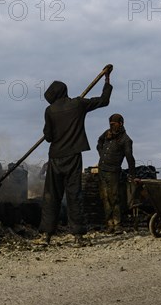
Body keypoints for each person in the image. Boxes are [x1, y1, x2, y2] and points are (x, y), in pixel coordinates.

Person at [34, 72, 112, 246]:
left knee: (51, 196)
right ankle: (78, 237)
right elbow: (104, 100)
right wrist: (107, 80)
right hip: (73, 157)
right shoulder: (78, 104)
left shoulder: (50, 110)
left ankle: (46, 236)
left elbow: (48, 137)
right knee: (74, 195)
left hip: (55, 157)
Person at [96, 113, 136, 233]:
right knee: (104, 198)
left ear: (121, 124)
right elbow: (99, 142)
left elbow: (130, 158)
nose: (112, 126)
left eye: (114, 124)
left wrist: (132, 175)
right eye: (111, 124)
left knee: (114, 198)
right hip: (102, 170)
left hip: (113, 171)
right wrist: (102, 153)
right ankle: (109, 224)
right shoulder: (107, 133)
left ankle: (117, 224)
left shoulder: (126, 140)